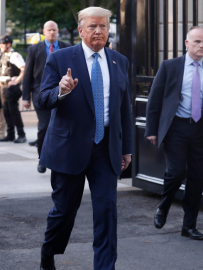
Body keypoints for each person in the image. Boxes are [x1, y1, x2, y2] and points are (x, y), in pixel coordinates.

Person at [38, 7, 133, 270]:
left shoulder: (119, 61)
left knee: (107, 212)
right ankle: (49, 251)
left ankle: (105, 267)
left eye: (103, 26)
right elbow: (42, 99)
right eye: (92, 27)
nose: (99, 31)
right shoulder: (60, 59)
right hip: (69, 148)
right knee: (64, 211)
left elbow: (124, 109)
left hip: (105, 149)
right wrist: (60, 90)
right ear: (80, 30)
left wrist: (127, 149)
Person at [145, 26, 203, 240]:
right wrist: (152, 130)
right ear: (187, 43)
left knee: (197, 178)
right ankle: (163, 206)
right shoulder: (170, 66)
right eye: (197, 42)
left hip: (202, 131)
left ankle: (189, 226)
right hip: (177, 128)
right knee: (176, 171)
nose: (202, 46)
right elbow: (155, 100)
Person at [22, 20, 71, 173]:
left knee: (62, 126)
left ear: (58, 32)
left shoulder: (66, 48)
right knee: (44, 126)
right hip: (41, 95)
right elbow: (27, 74)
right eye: (49, 30)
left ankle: (61, 157)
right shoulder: (34, 49)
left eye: (54, 30)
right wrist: (26, 97)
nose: (52, 33)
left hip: (63, 94)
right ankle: (43, 158)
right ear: (43, 31)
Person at [0, 35, 27, 143]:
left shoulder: (15, 55)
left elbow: (23, 68)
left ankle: (21, 134)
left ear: (9, 44)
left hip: (11, 87)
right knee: (6, 111)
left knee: (13, 111)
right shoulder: (4, 55)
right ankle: (10, 134)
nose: (0, 46)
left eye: (2, 44)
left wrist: (16, 81)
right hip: (3, 87)